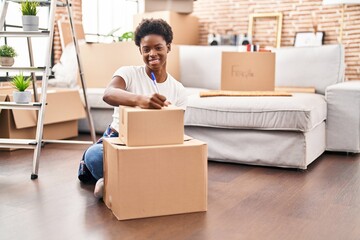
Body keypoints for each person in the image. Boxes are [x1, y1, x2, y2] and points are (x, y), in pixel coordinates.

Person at [78, 18, 188, 199]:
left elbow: (174, 129)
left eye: (158, 47)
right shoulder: (128, 73)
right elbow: (109, 94)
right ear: (140, 51)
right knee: (94, 155)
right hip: (119, 139)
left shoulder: (178, 90)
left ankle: (116, 183)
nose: (152, 53)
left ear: (168, 47)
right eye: (146, 49)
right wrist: (140, 100)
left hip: (151, 147)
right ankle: (130, 182)